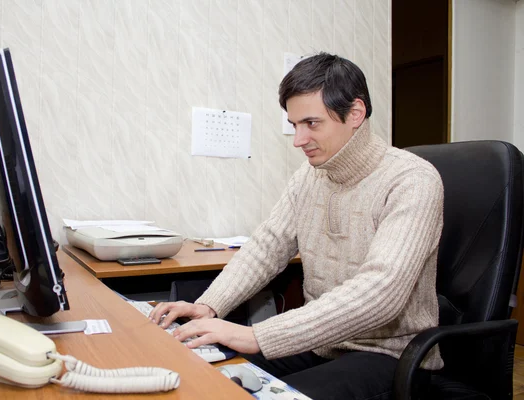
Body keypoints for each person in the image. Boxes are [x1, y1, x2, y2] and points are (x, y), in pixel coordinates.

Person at [149, 52, 444, 400]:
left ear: (355, 113)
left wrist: (256, 336)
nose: (298, 140)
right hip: (322, 343)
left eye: (311, 123)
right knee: (206, 374)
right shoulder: (309, 176)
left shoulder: (413, 180)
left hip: (392, 356)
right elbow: (267, 247)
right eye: (294, 125)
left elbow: (381, 291)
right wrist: (210, 305)